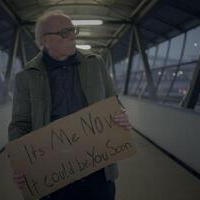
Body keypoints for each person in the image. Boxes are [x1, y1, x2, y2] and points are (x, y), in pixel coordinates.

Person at [8, 10, 131, 200]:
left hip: (98, 169)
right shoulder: (27, 76)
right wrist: (19, 162)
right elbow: (20, 124)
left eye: (73, 30)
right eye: (64, 33)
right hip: (54, 176)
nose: (73, 36)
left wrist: (121, 114)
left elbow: (114, 102)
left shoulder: (95, 63)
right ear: (45, 41)